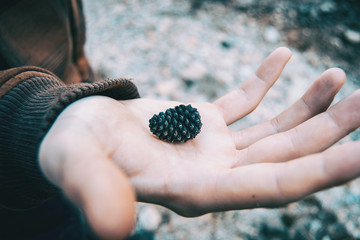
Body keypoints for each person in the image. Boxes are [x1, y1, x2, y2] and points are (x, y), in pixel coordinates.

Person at [1, 0, 360, 239]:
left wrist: (70, 90)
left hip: (58, 96)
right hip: (18, 181)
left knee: (79, 209)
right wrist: (26, 116)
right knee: (57, 221)